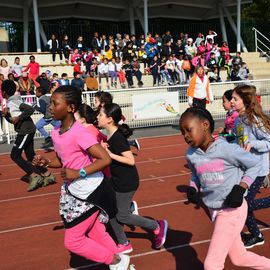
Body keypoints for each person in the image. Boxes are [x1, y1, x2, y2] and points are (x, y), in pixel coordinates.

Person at [32, 86, 130, 270]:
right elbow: (63, 160)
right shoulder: (56, 133)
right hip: (75, 190)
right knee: (96, 231)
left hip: (92, 189)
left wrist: (79, 173)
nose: (50, 107)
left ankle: (117, 261)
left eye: (55, 103)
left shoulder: (80, 132)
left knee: (73, 241)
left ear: (70, 107)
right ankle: (124, 264)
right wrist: (45, 162)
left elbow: (105, 159)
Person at [179, 106, 270, 270]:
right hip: (213, 210)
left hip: (231, 210)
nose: (185, 136)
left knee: (212, 264)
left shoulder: (227, 149)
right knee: (239, 258)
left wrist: (241, 187)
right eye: (182, 132)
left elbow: (254, 164)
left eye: (188, 130)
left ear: (205, 125)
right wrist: (193, 187)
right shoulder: (191, 154)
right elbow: (195, 174)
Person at [97, 103, 168, 252]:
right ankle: (123, 242)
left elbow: (130, 160)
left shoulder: (117, 137)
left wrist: (109, 154)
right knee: (111, 211)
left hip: (126, 182)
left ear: (109, 119)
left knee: (122, 216)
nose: (97, 117)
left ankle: (156, 226)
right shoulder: (110, 135)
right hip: (116, 180)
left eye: (100, 115)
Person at [231, 84, 270, 248]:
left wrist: (252, 143)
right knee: (243, 204)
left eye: (235, 99)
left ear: (245, 101)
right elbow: (237, 138)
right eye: (232, 98)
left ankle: (256, 234)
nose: (232, 102)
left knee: (244, 204)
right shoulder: (238, 119)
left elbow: (268, 141)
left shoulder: (255, 120)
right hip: (245, 169)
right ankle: (256, 235)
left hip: (258, 169)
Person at [1, 80, 56, 191]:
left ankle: (34, 176)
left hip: (25, 131)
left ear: (4, 92)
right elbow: (13, 121)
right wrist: (6, 115)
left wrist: (19, 117)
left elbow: (29, 109)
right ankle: (47, 174)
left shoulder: (13, 101)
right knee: (30, 156)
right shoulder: (13, 100)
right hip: (27, 129)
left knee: (15, 155)